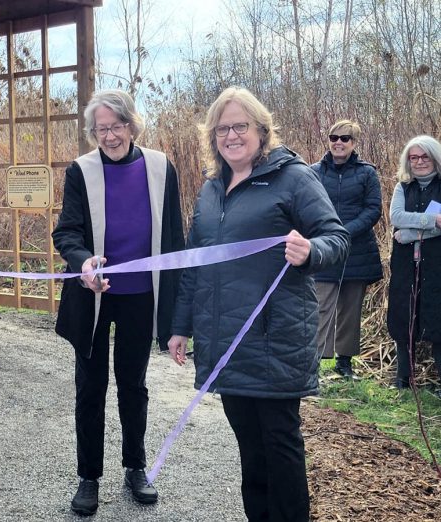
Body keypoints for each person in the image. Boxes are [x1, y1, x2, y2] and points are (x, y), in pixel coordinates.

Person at [167, 87, 349, 522]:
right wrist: (180, 326)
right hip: (226, 340)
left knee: (279, 447)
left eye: (240, 126)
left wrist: (311, 251)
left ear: (261, 129)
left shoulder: (293, 177)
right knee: (249, 447)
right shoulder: (211, 191)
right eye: (222, 128)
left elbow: (336, 237)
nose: (231, 135)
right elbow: (196, 264)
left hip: (274, 338)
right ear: (212, 136)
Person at [52, 89, 184, 516]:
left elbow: (175, 238)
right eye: (100, 128)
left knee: (134, 386)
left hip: (141, 296)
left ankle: (135, 467)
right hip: (94, 296)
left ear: (132, 124)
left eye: (116, 126)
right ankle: (88, 476)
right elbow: (66, 233)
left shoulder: (162, 166)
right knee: (90, 388)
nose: (109, 136)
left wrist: (177, 309)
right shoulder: (81, 171)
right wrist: (82, 263)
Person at [311, 120, 383, 377]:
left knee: (351, 310)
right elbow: (305, 206)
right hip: (324, 249)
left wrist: (346, 231)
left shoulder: (367, 173)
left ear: (354, 143)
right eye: (334, 137)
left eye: (345, 138)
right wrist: (326, 233)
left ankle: (344, 363)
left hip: (357, 251)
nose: (338, 142)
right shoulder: (314, 172)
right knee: (319, 306)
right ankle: (315, 363)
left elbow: (373, 209)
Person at [387, 135, 441, 394]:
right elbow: (396, 216)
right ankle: (403, 378)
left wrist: (408, 233)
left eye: (424, 157)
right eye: (414, 157)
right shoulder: (403, 187)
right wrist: (432, 221)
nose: (419, 162)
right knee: (403, 316)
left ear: (434, 158)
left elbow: (403, 225)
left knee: (437, 318)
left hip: (436, 265)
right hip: (406, 265)